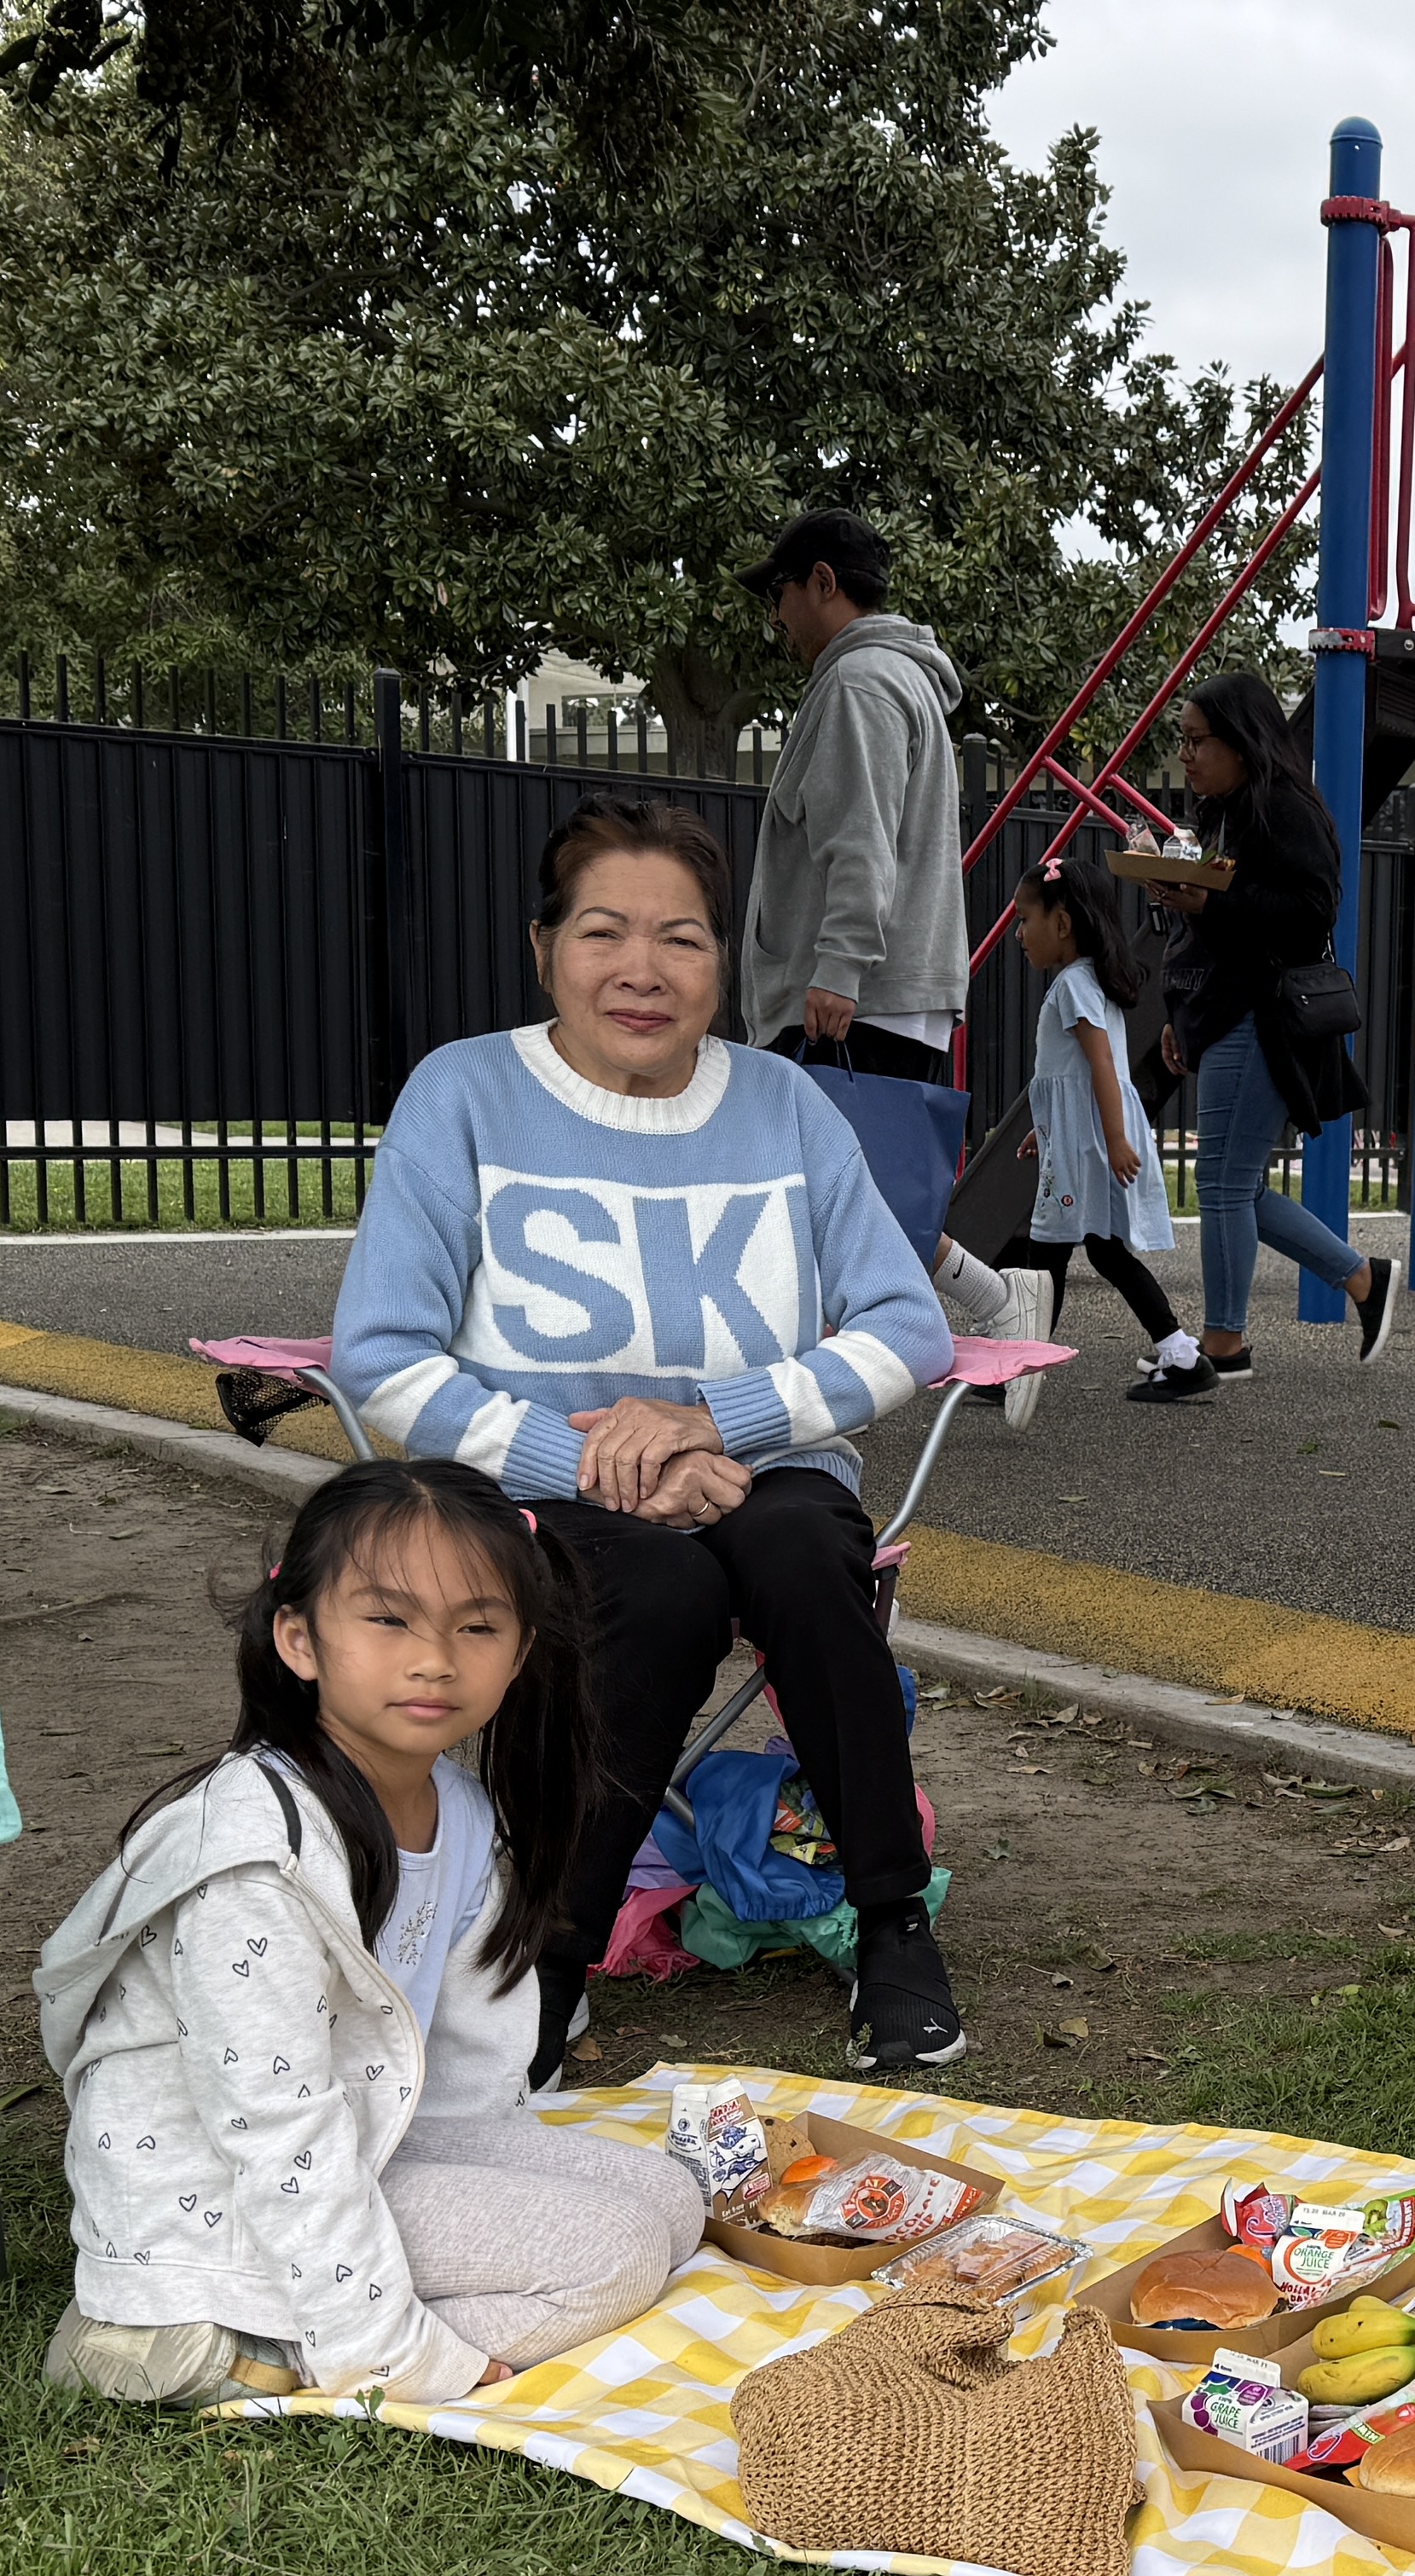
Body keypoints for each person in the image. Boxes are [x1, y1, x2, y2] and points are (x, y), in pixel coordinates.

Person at [333, 798, 968, 2071]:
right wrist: (590, 1461)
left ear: (722, 965)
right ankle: (552, 1958)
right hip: (536, 1486)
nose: (643, 970)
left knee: (803, 1556)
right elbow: (380, 1355)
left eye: (681, 939)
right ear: (543, 948)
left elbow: (911, 1328)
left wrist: (706, 1422)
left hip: (765, 1462)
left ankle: (893, 1919)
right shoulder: (462, 1094)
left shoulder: (784, 1106)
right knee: (659, 1588)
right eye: (604, 933)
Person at [37, 1458, 708, 2409]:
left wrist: (500, 2187)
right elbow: (274, 2132)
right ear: (300, 1640)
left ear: (519, 1655)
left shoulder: (462, 1810)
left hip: (375, 2140)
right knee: (615, 2258)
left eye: (478, 1626)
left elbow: (474, 2060)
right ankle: (208, 2346)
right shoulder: (253, 1860)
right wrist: (396, 2355)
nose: (435, 1657)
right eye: (388, 1620)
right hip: (215, 2204)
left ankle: (321, 2319)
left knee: (671, 2200)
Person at [738, 505, 1026, 1352]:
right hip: (886, 991)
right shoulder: (895, 682)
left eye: (781, 594)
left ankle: (819, 1397)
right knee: (849, 1199)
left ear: (823, 583)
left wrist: (837, 966)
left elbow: (856, 838)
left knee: (804, 1200)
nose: (778, 617)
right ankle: (993, 1302)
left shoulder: (857, 685)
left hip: (856, 995)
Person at [1128, 669, 1400, 1399]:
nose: (1184, 755)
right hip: (1223, 1012)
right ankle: (1361, 1277)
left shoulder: (1282, 806)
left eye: (1197, 741)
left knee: (1222, 1184)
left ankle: (1225, 1341)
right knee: (1233, 1187)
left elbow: (1312, 912)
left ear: (1242, 743)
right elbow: (1214, 934)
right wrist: (1180, 1008)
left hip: (1263, 1017)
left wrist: (1208, 903)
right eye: (1180, 741)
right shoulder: (1223, 809)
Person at [1000, 837, 1193, 1418]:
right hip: (1082, 1141)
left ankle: (1019, 1367)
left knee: (1047, 1255)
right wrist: (1048, 1130)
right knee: (1102, 1253)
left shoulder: (1073, 987)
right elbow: (1076, 1078)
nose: (1018, 932)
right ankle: (1181, 1354)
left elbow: (1104, 1066)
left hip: (1093, 1146)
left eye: (1024, 919)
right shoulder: (1086, 982)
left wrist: (1112, 1140)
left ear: (1061, 923)